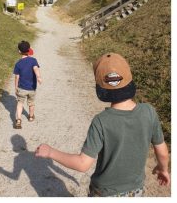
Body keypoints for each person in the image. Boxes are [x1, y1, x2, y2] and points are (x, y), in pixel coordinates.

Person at [35, 53, 170, 197]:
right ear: (130, 79)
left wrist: (51, 152)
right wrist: (163, 169)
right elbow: (162, 151)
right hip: (136, 191)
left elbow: (83, 164)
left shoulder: (101, 121)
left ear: (100, 87)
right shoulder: (149, 112)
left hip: (104, 193)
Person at [13, 41, 42, 129]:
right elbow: (35, 68)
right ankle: (31, 117)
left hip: (21, 88)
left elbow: (17, 77)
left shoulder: (18, 63)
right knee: (31, 103)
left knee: (20, 103)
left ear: (19, 51)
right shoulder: (33, 60)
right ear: (29, 50)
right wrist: (39, 77)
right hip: (32, 88)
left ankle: (18, 120)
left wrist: (16, 87)